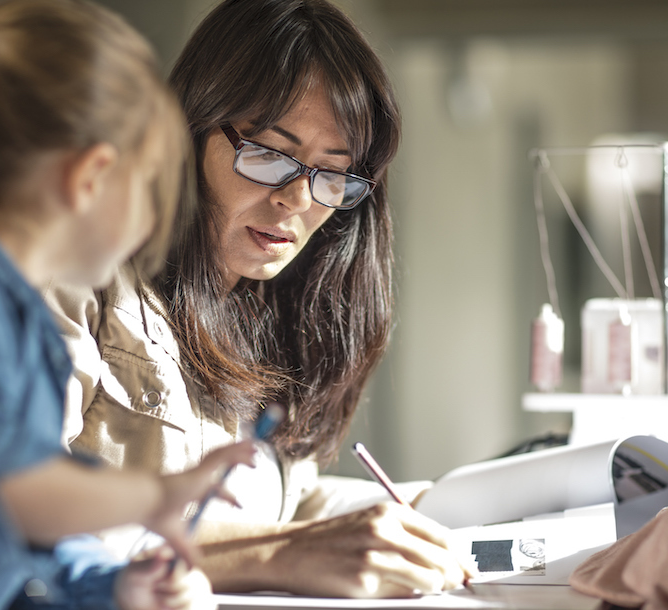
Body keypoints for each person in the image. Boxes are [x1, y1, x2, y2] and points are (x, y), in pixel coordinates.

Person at [45, 0, 467, 599]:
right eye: (269, 155)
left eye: (333, 174)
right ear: (187, 134)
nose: (298, 201)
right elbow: (14, 509)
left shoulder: (268, 311)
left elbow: (277, 503)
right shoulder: (78, 282)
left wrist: (432, 506)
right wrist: (277, 553)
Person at [0, 1, 257, 608]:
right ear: (91, 177)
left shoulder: (17, 319)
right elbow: (3, 489)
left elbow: (18, 536)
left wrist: (109, 584)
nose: (152, 222)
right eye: (148, 186)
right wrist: (153, 497)